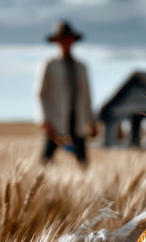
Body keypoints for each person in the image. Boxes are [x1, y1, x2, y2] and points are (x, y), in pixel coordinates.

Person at [36, 21, 96, 166]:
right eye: (63, 39)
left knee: (82, 161)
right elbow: (40, 93)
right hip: (56, 120)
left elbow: (87, 95)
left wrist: (91, 121)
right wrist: (44, 119)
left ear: (73, 41)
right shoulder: (49, 65)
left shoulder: (81, 67)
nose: (66, 42)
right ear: (57, 41)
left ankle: (84, 185)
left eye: (68, 39)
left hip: (77, 119)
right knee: (47, 158)